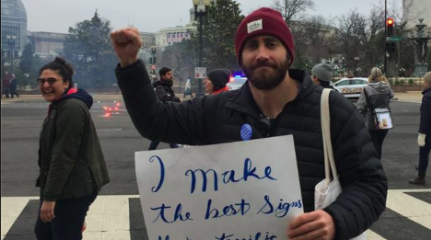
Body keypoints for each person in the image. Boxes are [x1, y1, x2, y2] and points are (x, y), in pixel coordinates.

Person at [111, 7, 387, 240]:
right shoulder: (217, 109)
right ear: (241, 58)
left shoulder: (331, 107)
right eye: (252, 45)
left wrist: (334, 220)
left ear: (288, 54)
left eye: (271, 43)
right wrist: (129, 63)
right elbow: (154, 122)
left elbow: (370, 185)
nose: (261, 53)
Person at [34, 57, 110, 240]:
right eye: (42, 81)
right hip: (65, 186)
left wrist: (50, 197)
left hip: (73, 189)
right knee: (44, 233)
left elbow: (63, 155)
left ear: (66, 83)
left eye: (52, 80)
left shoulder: (71, 108)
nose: (46, 85)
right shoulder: (59, 106)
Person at [356, 67, 394, 160]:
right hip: (384, 117)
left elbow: (360, 106)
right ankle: (378, 162)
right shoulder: (387, 87)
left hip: (371, 118)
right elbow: (392, 95)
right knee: (379, 143)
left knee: (373, 144)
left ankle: (375, 165)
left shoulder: (367, 89)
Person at [148, 67, 181, 150]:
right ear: (163, 76)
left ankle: (148, 157)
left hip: (166, 117)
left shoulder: (166, 86)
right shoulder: (160, 87)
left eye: (171, 74)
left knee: (158, 139)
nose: (171, 76)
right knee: (169, 139)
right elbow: (164, 99)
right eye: (168, 74)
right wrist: (177, 99)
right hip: (163, 117)